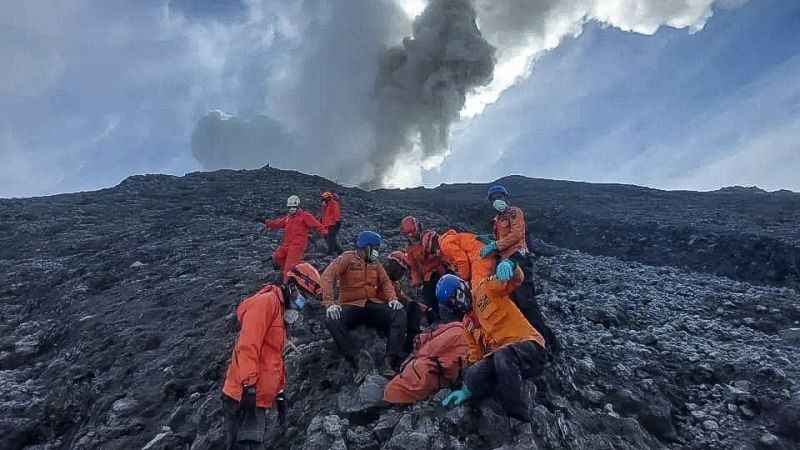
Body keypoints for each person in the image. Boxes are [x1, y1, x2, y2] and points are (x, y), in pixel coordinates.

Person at [221, 263, 322, 450]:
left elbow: (275, 358)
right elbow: (248, 346)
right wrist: (249, 386)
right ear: (292, 286)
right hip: (243, 396)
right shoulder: (265, 303)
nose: (302, 303)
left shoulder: (281, 312)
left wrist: (280, 391)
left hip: (259, 397)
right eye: (303, 296)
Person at [437, 267, 548, 423]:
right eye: (452, 303)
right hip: (506, 363)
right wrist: (466, 388)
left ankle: (518, 417)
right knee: (473, 373)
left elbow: (515, 280)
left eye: (458, 296)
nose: (459, 303)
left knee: (503, 356)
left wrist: (511, 267)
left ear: (463, 286)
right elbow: (476, 357)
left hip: (530, 348)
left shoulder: (486, 289)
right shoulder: (467, 325)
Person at [480, 185, 559, 354]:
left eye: (498, 197)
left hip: (518, 258)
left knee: (527, 303)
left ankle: (550, 345)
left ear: (505, 197)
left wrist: (495, 245)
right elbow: (500, 239)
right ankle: (529, 342)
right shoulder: (496, 221)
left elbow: (516, 235)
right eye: (493, 199)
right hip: (505, 263)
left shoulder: (514, 212)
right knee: (515, 305)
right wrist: (490, 242)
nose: (496, 201)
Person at [322, 231, 407, 382]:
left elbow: (385, 282)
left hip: (371, 305)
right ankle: (357, 359)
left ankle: (390, 360)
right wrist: (329, 304)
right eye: (375, 248)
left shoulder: (375, 263)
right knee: (331, 320)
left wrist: (393, 299)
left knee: (399, 313)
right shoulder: (347, 258)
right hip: (351, 306)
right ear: (366, 247)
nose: (377, 252)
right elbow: (327, 276)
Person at [263, 195, 327, 278]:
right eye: (289, 207)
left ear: (298, 206)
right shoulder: (288, 218)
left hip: (297, 246)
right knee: (276, 257)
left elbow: (317, 225)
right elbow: (277, 223)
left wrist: (325, 232)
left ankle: (287, 282)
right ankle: (295, 269)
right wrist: (266, 222)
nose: (291, 209)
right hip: (286, 244)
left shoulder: (305, 216)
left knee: (289, 267)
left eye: (293, 207)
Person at [383, 250, 427, 352]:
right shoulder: (379, 276)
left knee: (413, 307)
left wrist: (425, 309)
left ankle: (410, 343)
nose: (402, 274)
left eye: (403, 271)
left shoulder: (395, 283)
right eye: (401, 270)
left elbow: (403, 299)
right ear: (393, 265)